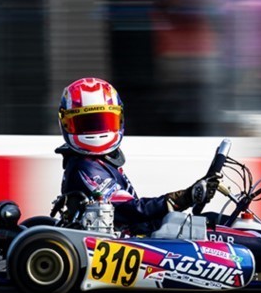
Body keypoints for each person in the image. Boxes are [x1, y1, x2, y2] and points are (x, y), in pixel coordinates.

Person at [55, 77, 219, 235]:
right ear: (66, 123)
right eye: (86, 123)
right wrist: (184, 197)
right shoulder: (84, 167)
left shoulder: (99, 162)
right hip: (130, 238)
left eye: (104, 121)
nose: (97, 130)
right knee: (213, 232)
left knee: (215, 221)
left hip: (141, 230)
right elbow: (131, 210)